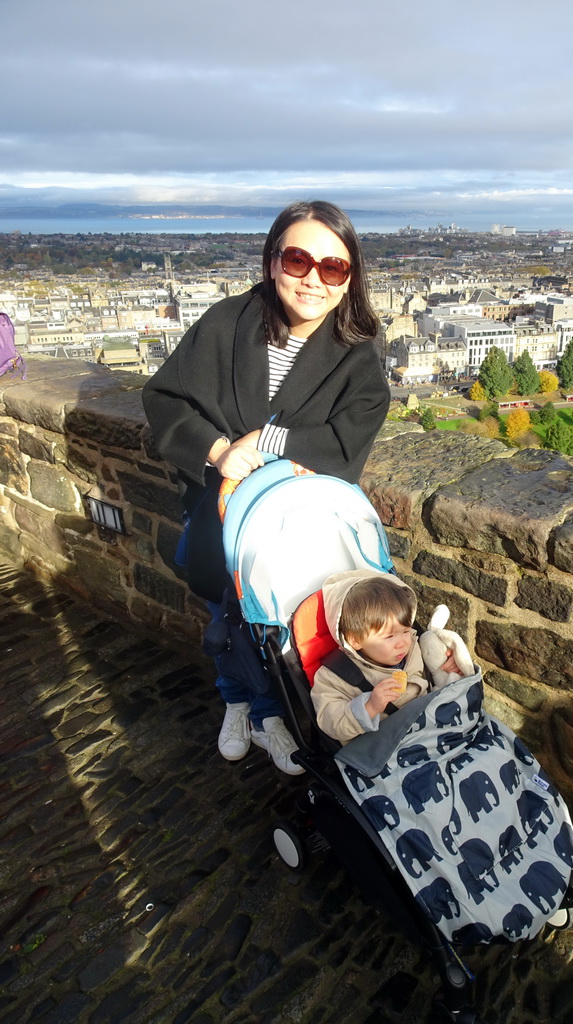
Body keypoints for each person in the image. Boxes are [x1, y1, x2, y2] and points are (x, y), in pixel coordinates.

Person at [142, 201, 390, 773]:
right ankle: (238, 704)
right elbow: (164, 399)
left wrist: (269, 441)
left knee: (273, 625)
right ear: (273, 259)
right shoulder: (228, 322)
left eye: (333, 268)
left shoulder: (358, 353)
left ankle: (268, 714)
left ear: (351, 278)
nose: (313, 279)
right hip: (217, 509)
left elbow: (348, 442)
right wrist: (220, 451)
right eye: (299, 259)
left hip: (292, 527)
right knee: (224, 617)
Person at [312, 569, 473, 745]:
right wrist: (369, 708)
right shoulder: (333, 676)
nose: (402, 643)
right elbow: (331, 724)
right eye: (389, 637)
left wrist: (449, 663)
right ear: (355, 640)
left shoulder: (414, 645)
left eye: (405, 630)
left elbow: (437, 666)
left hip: (434, 726)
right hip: (390, 747)